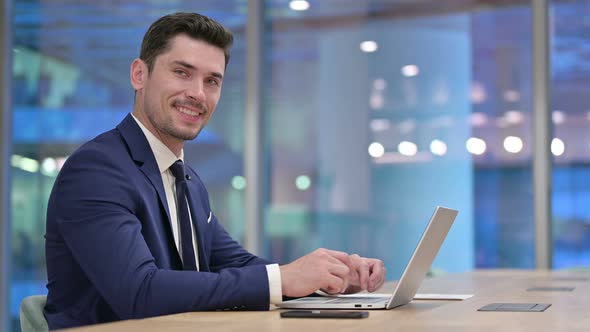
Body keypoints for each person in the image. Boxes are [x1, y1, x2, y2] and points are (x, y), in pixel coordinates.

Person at [44, 12, 385, 329]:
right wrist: (284, 279)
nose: (196, 93)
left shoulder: (186, 181)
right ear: (139, 74)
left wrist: (328, 277)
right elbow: (140, 293)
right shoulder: (97, 170)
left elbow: (238, 265)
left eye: (212, 81)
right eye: (181, 72)